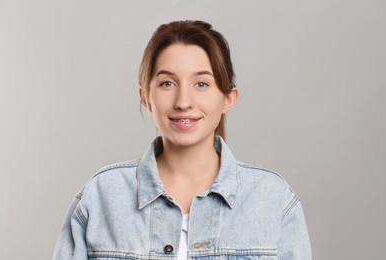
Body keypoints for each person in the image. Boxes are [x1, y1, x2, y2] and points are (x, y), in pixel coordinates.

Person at [53, 20, 311, 260]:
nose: (183, 102)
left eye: (201, 84)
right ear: (146, 97)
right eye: (167, 83)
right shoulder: (102, 195)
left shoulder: (273, 199)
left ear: (228, 98)